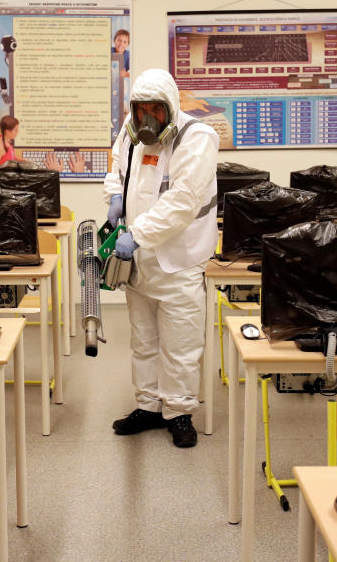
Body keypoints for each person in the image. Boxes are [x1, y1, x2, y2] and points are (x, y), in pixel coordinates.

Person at [103, 68, 219, 448]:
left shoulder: (197, 137)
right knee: (143, 339)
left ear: (170, 107)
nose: (147, 117)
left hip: (180, 260)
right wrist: (115, 196)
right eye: (141, 109)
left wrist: (137, 233)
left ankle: (180, 411)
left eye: (157, 109)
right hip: (139, 260)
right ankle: (149, 405)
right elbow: (117, 163)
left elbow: (182, 202)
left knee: (181, 343)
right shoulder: (131, 128)